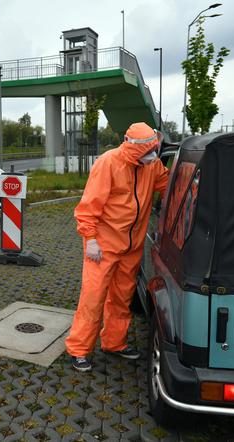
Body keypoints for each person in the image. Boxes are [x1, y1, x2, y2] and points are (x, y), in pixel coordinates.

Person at [65, 122, 169, 372]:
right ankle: (78, 350)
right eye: (148, 151)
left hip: (131, 246)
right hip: (102, 246)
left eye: (154, 149)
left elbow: (168, 184)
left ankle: (114, 342)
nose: (153, 156)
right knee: (93, 298)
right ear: (134, 149)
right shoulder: (109, 163)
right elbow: (89, 206)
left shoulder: (151, 165)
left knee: (122, 298)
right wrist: (90, 239)